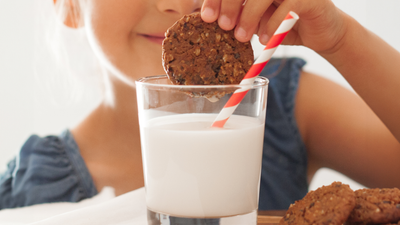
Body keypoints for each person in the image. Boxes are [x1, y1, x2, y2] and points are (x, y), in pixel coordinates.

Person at [1, 0, 400, 211]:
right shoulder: (35, 189)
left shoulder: (281, 104)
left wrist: (342, 40)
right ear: (68, 4)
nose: (177, 4)